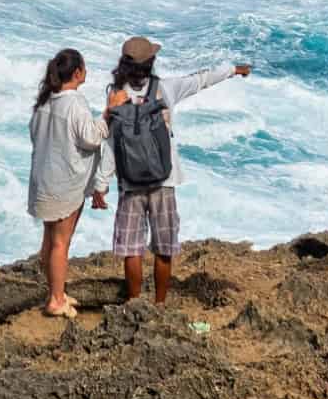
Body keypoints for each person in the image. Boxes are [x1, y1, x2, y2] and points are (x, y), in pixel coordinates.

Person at [105, 36, 252, 305]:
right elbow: (201, 80)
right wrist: (234, 70)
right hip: (165, 178)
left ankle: (134, 304)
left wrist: (100, 184)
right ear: (151, 63)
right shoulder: (165, 89)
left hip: (129, 183)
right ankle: (159, 304)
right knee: (164, 247)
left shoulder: (115, 95)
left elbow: (112, 141)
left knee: (132, 250)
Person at [27, 48, 130, 318]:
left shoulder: (45, 102)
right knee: (61, 243)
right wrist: (108, 114)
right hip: (65, 183)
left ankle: (55, 292)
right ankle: (56, 300)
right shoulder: (74, 102)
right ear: (77, 73)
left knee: (49, 240)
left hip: (44, 180)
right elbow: (91, 139)